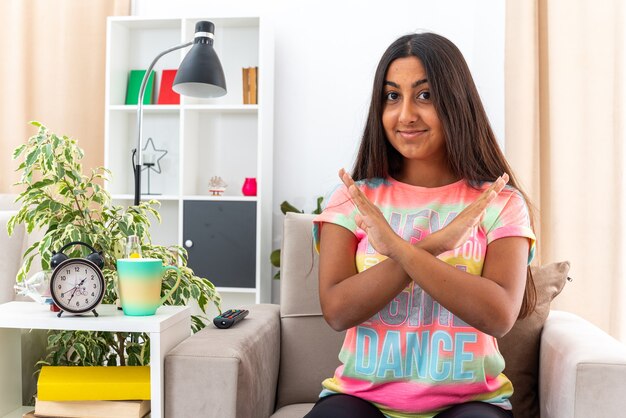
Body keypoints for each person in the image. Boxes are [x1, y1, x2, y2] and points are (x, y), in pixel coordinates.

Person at [307, 32, 536, 418]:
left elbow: (498, 316)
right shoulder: (353, 197)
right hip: (360, 400)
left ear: (456, 102)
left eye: (425, 95)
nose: (406, 114)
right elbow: (337, 311)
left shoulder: (499, 202)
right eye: (392, 96)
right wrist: (435, 244)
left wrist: (396, 247)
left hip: (471, 404)